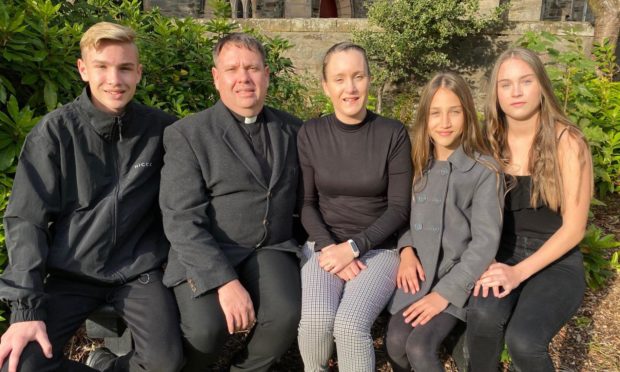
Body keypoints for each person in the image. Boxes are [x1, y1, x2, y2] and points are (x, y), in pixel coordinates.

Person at [0, 22, 183, 372]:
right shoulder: (54, 132)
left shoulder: (163, 131)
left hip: (138, 273)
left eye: (125, 68)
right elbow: (26, 220)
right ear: (83, 70)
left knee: (165, 363)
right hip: (71, 273)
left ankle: (104, 363)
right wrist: (25, 310)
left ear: (139, 72)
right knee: (20, 363)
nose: (115, 79)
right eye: (102, 67)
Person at [159, 33, 302, 372]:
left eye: (252, 68)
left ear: (267, 74)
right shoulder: (188, 134)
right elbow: (181, 218)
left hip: (270, 247)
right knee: (206, 331)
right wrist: (224, 282)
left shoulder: (294, 130)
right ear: (216, 77)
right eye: (232, 69)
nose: (244, 78)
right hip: (207, 250)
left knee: (285, 317)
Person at [466, 47, 593, 371]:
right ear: (496, 93)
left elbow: (574, 229)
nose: (517, 92)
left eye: (526, 81)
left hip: (556, 260)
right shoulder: (488, 140)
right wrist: (482, 256)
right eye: (506, 84)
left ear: (542, 87)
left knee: (523, 341)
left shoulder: (568, 142)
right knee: (482, 316)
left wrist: (517, 273)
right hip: (501, 253)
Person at [296, 42, 412, 372]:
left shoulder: (392, 133)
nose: (350, 88)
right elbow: (306, 204)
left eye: (358, 76)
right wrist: (333, 248)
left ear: (369, 80)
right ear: (326, 87)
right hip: (324, 246)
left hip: (377, 249)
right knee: (317, 322)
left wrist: (355, 247)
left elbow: (399, 208)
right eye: (340, 78)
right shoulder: (310, 133)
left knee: (349, 326)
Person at [383, 72, 504, 372]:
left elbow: (485, 241)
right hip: (419, 276)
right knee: (395, 342)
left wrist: (444, 294)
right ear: (425, 118)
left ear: (468, 113)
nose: (445, 122)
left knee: (420, 347)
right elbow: (401, 214)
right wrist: (406, 249)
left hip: (457, 280)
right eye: (435, 113)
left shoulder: (484, 170)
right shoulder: (416, 162)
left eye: (454, 111)